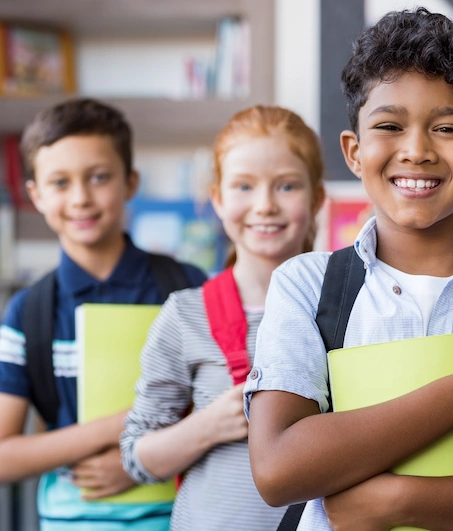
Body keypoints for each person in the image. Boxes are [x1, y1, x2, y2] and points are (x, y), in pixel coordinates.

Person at [245, 9, 453, 531]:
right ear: (354, 151)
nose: (416, 150)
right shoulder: (307, 284)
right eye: (389, 126)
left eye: (447, 128)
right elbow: (279, 468)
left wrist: (399, 501)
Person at [0, 98, 207, 530]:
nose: (80, 198)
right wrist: (123, 426)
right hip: (70, 519)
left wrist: (138, 461)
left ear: (130, 182)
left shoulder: (189, 287)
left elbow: (224, 406)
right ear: (35, 195)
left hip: (184, 515)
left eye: (98, 177)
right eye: (60, 182)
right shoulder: (28, 312)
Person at [120, 105, 326, 531]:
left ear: (317, 197)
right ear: (217, 198)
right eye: (244, 186)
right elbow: (138, 457)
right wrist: (209, 425)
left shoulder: (352, 306)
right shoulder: (184, 315)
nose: (265, 205)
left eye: (286, 186)